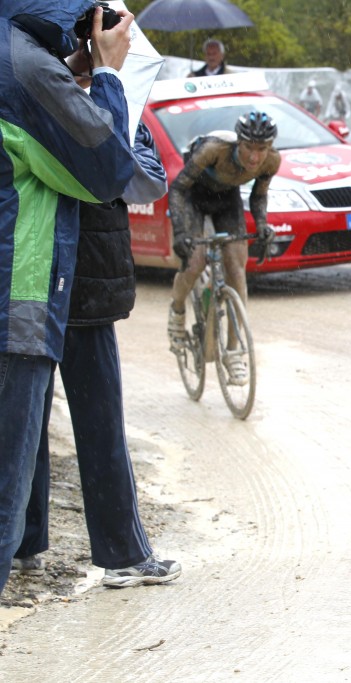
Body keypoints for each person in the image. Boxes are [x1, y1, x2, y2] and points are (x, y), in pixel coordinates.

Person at [12, 108, 182, 587]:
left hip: (88, 283)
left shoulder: (121, 104)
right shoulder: (37, 84)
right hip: (36, 276)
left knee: (99, 419)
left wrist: (110, 144)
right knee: (24, 422)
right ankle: (24, 544)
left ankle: (121, 554)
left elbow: (148, 181)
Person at [0, 0, 136, 593]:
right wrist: (104, 74)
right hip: (20, 301)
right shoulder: (25, 67)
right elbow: (108, 166)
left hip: (40, 299)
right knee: (8, 479)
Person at [166, 111, 281, 384]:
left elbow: (258, 197)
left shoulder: (271, 161)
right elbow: (178, 189)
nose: (255, 157)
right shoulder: (214, 150)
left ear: (270, 148)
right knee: (194, 263)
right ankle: (178, 308)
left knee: (236, 269)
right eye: (249, 148)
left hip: (226, 199)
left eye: (261, 149)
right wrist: (181, 232)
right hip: (194, 196)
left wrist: (263, 224)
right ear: (238, 143)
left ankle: (233, 352)